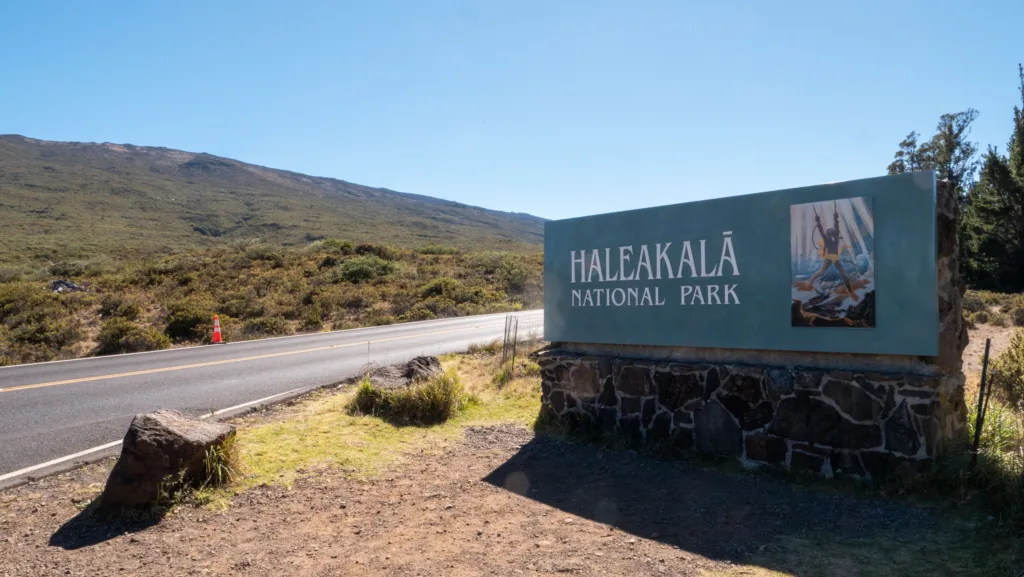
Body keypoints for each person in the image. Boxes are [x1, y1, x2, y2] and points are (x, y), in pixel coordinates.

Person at [805, 207, 859, 302]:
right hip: (830, 257)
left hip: (836, 258)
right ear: (829, 234)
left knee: (843, 274)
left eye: (832, 233)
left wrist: (835, 219)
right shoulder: (827, 238)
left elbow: (836, 227)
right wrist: (818, 222)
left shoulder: (836, 237)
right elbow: (821, 230)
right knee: (822, 272)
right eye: (830, 233)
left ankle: (850, 291)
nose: (832, 234)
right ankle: (810, 280)